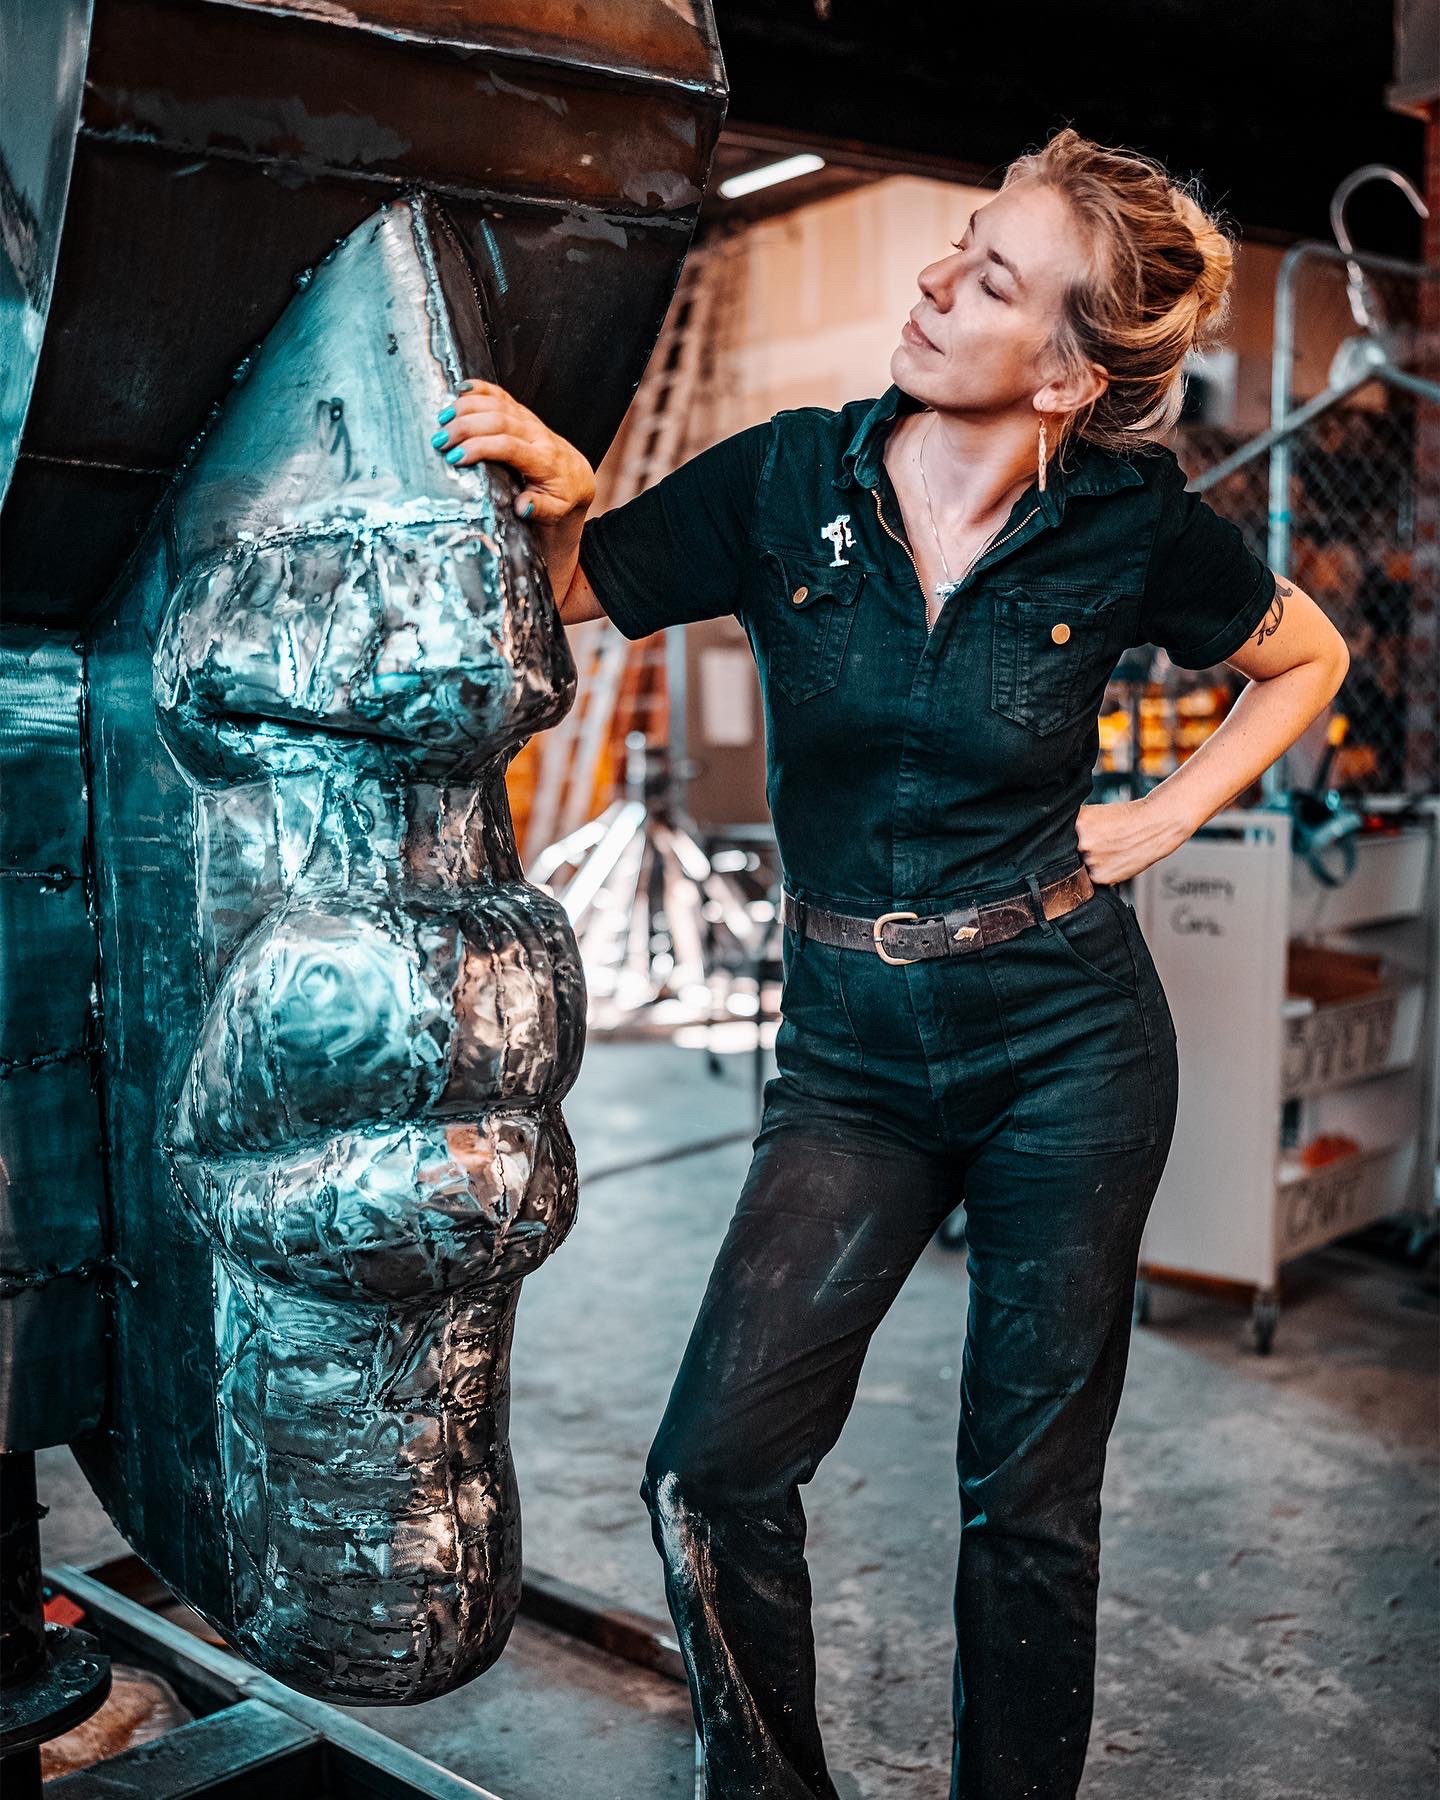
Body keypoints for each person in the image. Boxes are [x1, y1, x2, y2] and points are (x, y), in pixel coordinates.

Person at [427, 127, 1348, 1800]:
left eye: (990, 278)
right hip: (852, 1055)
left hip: (1068, 1045)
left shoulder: (1131, 522)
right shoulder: (790, 481)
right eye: (958, 244)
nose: (935, 282)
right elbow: (569, 589)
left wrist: (1158, 819)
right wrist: (556, 498)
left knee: (1029, 1505)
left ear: (1065, 374)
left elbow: (1308, 657)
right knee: (711, 1471)